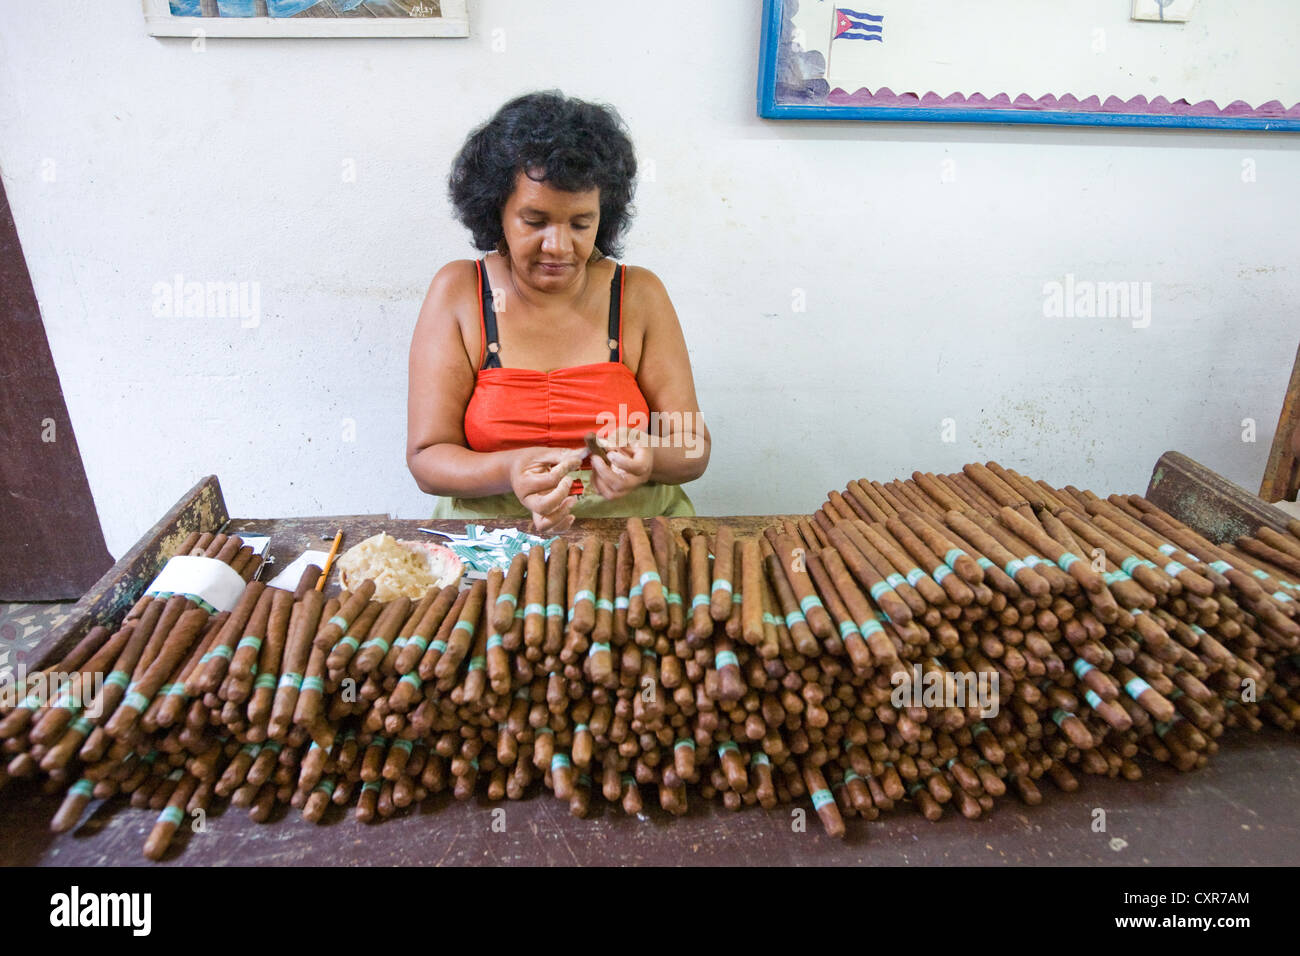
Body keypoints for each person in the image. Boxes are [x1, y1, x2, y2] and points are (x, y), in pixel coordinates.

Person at [407, 91, 710, 532]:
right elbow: (427, 458)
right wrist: (509, 470)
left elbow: (692, 447)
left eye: (580, 223)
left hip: (635, 538)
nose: (559, 246)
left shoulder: (639, 294)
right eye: (535, 221)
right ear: (497, 212)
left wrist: (650, 460)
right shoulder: (459, 292)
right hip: (492, 543)